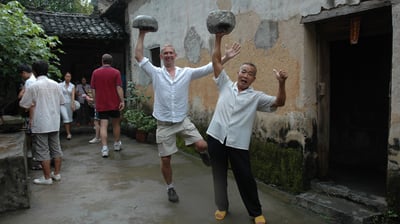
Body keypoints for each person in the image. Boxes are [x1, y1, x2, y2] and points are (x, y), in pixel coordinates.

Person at [134, 30, 240, 203]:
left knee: (202, 144)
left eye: (171, 53)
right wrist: (142, 33)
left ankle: (202, 153)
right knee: (166, 159)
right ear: (161, 57)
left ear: (175, 55)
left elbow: (209, 67)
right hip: (164, 125)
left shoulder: (186, 72)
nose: (168, 55)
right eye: (165, 53)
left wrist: (226, 57)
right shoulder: (155, 72)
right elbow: (138, 55)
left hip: (183, 121)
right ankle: (170, 188)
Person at [207, 32, 288, 224]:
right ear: (238, 73)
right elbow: (216, 61)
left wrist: (281, 83)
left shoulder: (256, 97)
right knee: (218, 175)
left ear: (253, 79)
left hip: (238, 143)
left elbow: (279, 102)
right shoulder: (225, 84)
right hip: (216, 137)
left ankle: (255, 212)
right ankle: (222, 206)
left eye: (250, 74)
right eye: (243, 71)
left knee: (245, 178)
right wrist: (218, 37)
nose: (246, 75)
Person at [19, 60, 65, 185]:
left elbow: (23, 103)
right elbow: (62, 101)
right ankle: (56, 174)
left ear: (34, 71)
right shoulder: (56, 84)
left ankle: (46, 177)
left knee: (43, 150)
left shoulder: (33, 86)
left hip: (40, 123)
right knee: (56, 148)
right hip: (54, 121)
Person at [90, 54, 124, 157]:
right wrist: (122, 100)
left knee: (103, 125)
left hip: (102, 104)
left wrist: (96, 101)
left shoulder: (95, 72)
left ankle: (104, 148)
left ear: (102, 61)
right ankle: (117, 144)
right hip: (114, 103)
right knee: (116, 124)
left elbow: (93, 89)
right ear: (111, 61)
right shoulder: (116, 72)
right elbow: (119, 87)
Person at [17, 64, 41, 170]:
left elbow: (29, 102)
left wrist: (31, 118)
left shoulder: (29, 82)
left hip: (33, 113)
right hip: (40, 112)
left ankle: (37, 161)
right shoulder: (36, 80)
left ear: (24, 73)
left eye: (21, 74)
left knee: (34, 137)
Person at [59, 72, 76, 140]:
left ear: (71, 77)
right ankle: (68, 134)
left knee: (69, 119)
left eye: (69, 76)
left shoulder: (72, 86)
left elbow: (73, 95)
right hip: (62, 103)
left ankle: (69, 131)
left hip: (69, 103)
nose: (68, 78)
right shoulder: (60, 85)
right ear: (64, 77)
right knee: (65, 118)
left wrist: (72, 104)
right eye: (66, 76)